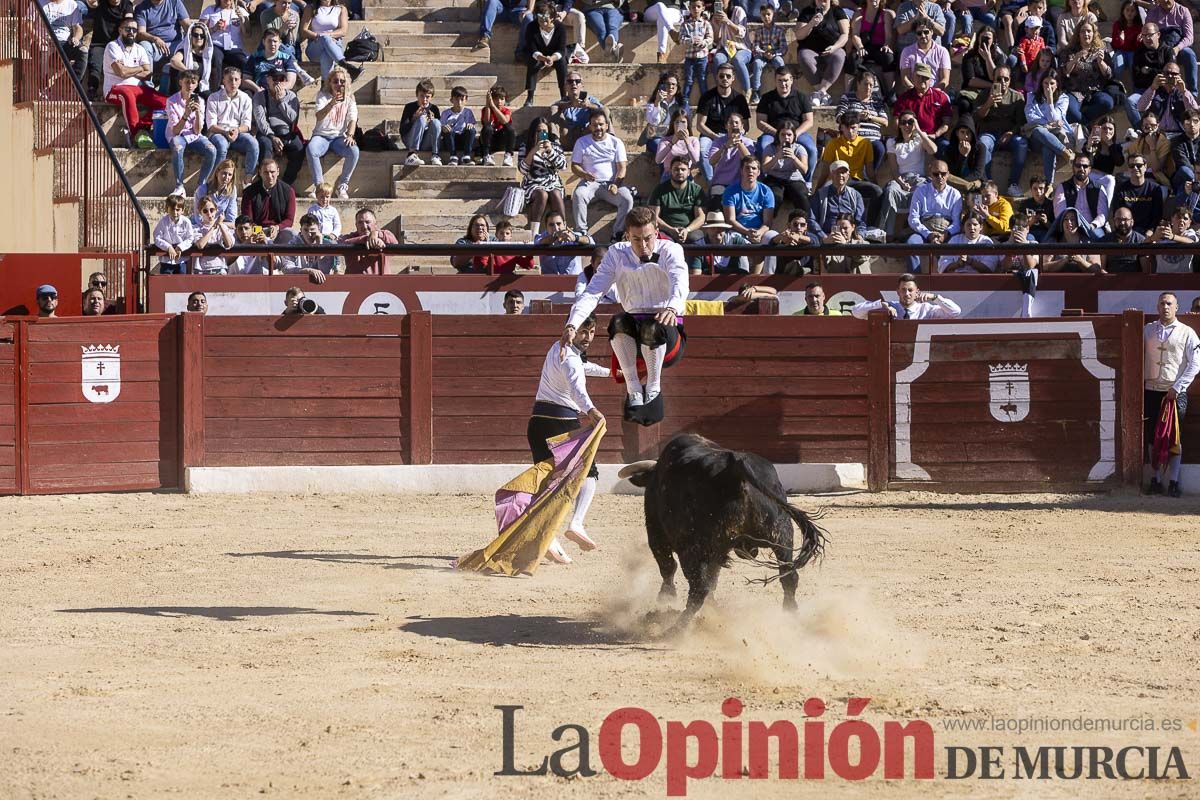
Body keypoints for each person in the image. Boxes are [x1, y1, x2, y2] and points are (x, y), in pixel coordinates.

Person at [562, 206, 688, 426]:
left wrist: (672, 307)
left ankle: (653, 387)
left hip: (667, 334)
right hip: (633, 333)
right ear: (627, 235)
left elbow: (680, 281)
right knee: (618, 321)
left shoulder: (671, 250)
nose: (643, 245)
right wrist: (573, 323)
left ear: (657, 230)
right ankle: (633, 388)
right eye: (636, 239)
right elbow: (593, 292)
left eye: (648, 238)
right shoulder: (617, 253)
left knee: (651, 326)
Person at [530, 313, 608, 563]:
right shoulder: (570, 359)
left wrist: (613, 372)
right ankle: (576, 522)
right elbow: (577, 388)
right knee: (589, 471)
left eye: (592, 332)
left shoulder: (557, 348)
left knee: (549, 483)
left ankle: (548, 537)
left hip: (537, 424)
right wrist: (592, 411)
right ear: (572, 330)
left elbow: (582, 368)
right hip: (562, 425)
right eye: (583, 331)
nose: (588, 337)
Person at [1143, 291, 1200, 496]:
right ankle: (1156, 480)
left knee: (1174, 437)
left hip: (1175, 392)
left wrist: (1178, 387)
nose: (1165, 307)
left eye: (1169, 303)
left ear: (1176, 307)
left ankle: (1174, 482)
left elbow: (1195, 364)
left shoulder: (1187, 332)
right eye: (1162, 303)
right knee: (1151, 437)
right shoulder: (1146, 330)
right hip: (1151, 390)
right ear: (1157, 307)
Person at [104, 14, 167, 149]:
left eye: (134, 30)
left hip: (138, 88)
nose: (131, 32)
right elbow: (121, 72)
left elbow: (148, 73)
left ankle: (142, 128)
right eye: (128, 29)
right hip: (115, 88)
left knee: (166, 102)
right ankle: (135, 134)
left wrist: (129, 70)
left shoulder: (140, 49)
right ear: (120, 30)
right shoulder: (112, 47)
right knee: (127, 93)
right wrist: (139, 68)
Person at [571, 112, 634, 243]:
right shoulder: (581, 142)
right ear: (590, 126)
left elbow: (622, 168)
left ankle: (618, 233)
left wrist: (616, 184)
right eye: (594, 125)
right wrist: (584, 174)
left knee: (627, 199)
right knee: (578, 194)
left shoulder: (616, 143)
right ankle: (581, 231)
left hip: (611, 183)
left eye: (600, 124)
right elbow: (574, 166)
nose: (598, 128)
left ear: (606, 125)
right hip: (590, 182)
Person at [879, 109, 937, 238]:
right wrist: (902, 183)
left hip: (919, 178)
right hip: (901, 178)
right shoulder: (892, 142)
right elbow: (894, 169)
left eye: (910, 122)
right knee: (890, 191)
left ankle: (920, 230)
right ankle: (887, 233)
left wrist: (919, 131)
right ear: (899, 124)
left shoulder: (920, 139)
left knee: (923, 190)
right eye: (904, 122)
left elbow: (933, 150)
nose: (906, 125)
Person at [817, 111, 883, 223]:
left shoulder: (865, 143)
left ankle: (870, 226)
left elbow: (870, 171)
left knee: (877, 192)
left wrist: (876, 185)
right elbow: (825, 171)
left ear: (859, 127)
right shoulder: (833, 144)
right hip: (838, 181)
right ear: (841, 127)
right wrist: (817, 190)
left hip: (856, 181)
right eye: (846, 128)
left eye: (853, 128)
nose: (850, 131)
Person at [307, 65, 359, 199]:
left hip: (338, 137)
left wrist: (350, 135)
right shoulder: (322, 96)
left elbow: (353, 119)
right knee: (312, 149)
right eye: (335, 81)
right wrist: (332, 103)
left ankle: (342, 186)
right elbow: (318, 116)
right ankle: (319, 187)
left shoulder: (349, 99)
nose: (339, 84)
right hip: (321, 135)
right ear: (330, 82)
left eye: (342, 81)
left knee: (354, 151)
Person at [695, 63, 750, 185]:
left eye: (728, 76)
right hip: (710, 135)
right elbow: (700, 125)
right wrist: (716, 137)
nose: (725, 78)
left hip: (734, 135)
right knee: (702, 151)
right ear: (717, 77)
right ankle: (712, 183)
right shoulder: (707, 97)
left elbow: (746, 126)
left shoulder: (740, 99)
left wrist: (738, 135)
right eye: (722, 76)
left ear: (733, 78)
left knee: (749, 152)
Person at [166, 70, 215, 199]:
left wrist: (198, 113)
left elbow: (198, 131)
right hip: (178, 135)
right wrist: (186, 114)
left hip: (193, 135)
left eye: (193, 83)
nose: (190, 86)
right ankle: (179, 186)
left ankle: (201, 185)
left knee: (212, 150)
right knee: (177, 147)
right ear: (180, 82)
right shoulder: (172, 101)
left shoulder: (199, 100)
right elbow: (175, 130)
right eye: (187, 82)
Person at [906, 159, 962, 271]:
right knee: (911, 244)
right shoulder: (920, 191)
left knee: (958, 247)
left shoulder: (955, 194)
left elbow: (957, 222)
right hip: (924, 229)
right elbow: (913, 218)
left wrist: (944, 235)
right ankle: (914, 282)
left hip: (946, 231)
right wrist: (928, 234)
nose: (940, 177)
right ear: (930, 175)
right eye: (936, 174)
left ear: (948, 174)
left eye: (943, 174)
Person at [649, 156, 707, 266]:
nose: (679, 172)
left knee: (697, 239)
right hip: (666, 230)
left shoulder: (696, 190)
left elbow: (701, 217)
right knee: (661, 242)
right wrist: (671, 230)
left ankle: (696, 272)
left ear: (689, 172)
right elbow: (654, 217)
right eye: (676, 169)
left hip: (690, 230)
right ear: (670, 171)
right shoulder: (659, 190)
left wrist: (687, 230)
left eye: (683, 169)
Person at [252, 68, 304, 185]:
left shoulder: (291, 96)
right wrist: (272, 137)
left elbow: (292, 118)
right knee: (265, 146)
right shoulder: (260, 96)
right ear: (268, 79)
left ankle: (286, 184)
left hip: (286, 131)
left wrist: (281, 100)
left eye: (281, 79)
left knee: (299, 148)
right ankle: (264, 182)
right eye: (274, 78)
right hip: (268, 132)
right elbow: (261, 121)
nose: (277, 82)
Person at [1060, 20, 1117, 127]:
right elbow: (1064, 72)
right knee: (1071, 112)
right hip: (1074, 91)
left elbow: (1109, 75)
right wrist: (1075, 59)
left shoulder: (1101, 51)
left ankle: (1084, 121)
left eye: (1089, 31)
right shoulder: (1069, 51)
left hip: (1094, 91)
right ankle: (1087, 126)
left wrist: (1101, 62)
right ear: (1078, 34)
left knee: (1107, 103)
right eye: (1083, 31)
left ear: (1093, 34)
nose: (1086, 34)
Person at [794, 0, 850, 107]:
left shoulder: (837, 11)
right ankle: (823, 93)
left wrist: (835, 47)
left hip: (832, 49)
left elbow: (845, 34)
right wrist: (811, 24)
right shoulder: (807, 12)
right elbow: (799, 35)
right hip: (810, 50)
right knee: (803, 56)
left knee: (840, 55)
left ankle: (819, 93)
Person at [206, 67, 258, 178]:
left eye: (236, 79)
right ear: (223, 81)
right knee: (222, 144)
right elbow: (211, 125)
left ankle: (248, 178)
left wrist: (237, 130)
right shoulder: (214, 97)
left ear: (240, 81)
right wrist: (225, 131)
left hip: (237, 133)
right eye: (230, 79)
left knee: (253, 143)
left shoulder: (245, 98)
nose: (233, 83)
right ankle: (216, 179)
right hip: (218, 132)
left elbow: (247, 124)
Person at [518, 118, 567, 237]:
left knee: (555, 193)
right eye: (539, 131)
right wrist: (534, 150)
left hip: (553, 182)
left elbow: (563, 166)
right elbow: (523, 170)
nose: (542, 134)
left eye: (544, 131)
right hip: (532, 183)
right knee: (542, 194)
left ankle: (564, 230)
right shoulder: (525, 147)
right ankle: (534, 232)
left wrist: (550, 152)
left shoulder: (555, 146)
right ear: (533, 132)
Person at [1025, 70, 1076, 184]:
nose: (1048, 86)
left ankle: (1049, 184)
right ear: (1041, 83)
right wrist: (1048, 124)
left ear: (1057, 84)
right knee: (1038, 130)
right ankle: (1066, 153)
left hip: (1054, 137)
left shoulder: (1063, 98)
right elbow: (1031, 118)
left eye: (1052, 83)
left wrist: (1050, 102)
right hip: (1036, 136)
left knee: (1048, 146)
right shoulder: (1031, 97)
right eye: (1046, 83)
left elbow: (1056, 118)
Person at [834, 71, 890, 171]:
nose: (868, 88)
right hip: (853, 137)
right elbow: (839, 117)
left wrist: (870, 117)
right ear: (858, 84)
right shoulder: (847, 97)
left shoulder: (877, 101)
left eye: (871, 85)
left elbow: (885, 122)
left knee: (880, 148)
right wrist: (857, 117)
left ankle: (869, 175)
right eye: (865, 84)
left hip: (873, 140)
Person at [891, 63, 951, 150]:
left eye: (925, 77)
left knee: (946, 147)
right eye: (918, 76)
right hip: (910, 138)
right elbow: (896, 120)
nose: (921, 79)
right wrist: (906, 136)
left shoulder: (941, 97)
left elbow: (947, 123)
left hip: (934, 138)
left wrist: (935, 135)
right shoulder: (904, 98)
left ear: (930, 80)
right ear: (913, 78)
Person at [1126, 24, 1176, 129]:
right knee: (1130, 101)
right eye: (1144, 35)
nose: (1147, 38)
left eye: (1150, 35)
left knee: (1157, 103)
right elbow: (1137, 78)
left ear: (1158, 35)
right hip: (1143, 91)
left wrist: (1149, 70)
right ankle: (1141, 129)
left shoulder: (1167, 51)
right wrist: (1157, 74)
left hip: (1162, 90)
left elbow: (1169, 75)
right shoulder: (1139, 53)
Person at [850, 273, 962, 319]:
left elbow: (955, 312)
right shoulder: (889, 306)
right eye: (903, 290)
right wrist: (880, 304)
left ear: (917, 292)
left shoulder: (926, 309)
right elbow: (855, 312)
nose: (907, 294)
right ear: (897, 292)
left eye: (910, 290)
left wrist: (935, 297)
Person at [1052, 153, 1108, 241]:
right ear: (1073, 168)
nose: (1081, 169)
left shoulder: (1098, 188)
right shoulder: (1063, 187)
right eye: (1078, 166)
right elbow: (1060, 212)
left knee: (1099, 237)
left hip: (1091, 227)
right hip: (1070, 226)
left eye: (1085, 166)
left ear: (1090, 169)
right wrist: (1072, 226)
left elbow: (1102, 214)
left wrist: (1092, 225)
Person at [1145, 0, 1197, 93]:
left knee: (1189, 54)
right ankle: (1155, 92)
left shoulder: (1183, 11)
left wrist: (1177, 48)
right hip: (1161, 47)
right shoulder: (1152, 13)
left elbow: (1189, 37)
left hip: (1178, 47)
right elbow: (1147, 33)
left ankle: (1192, 93)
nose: (1165, 0)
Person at [521, 2, 567, 107]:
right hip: (538, 55)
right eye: (540, 18)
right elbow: (532, 49)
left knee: (562, 62)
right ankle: (530, 97)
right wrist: (543, 58)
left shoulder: (560, 28)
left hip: (554, 56)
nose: (542, 21)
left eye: (545, 18)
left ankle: (564, 96)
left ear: (552, 18)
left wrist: (552, 58)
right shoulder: (532, 27)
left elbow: (561, 49)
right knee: (533, 62)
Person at [760, 120, 810, 216]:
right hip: (774, 179)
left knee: (801, 195)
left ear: (794, 136)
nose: (786, 138)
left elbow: (804, 170)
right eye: (783, 134)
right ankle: (767, 225)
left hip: (794, 178)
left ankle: (805, 223)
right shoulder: (770, 148)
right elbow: (765, 169)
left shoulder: (799, 149)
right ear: (778, 135)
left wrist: (794, 158)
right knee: (775, 197)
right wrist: (777, 157)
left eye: (789, 135)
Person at [87, 0, 134, 100]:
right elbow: (92, 3)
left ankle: (124, 92)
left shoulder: (126, 4)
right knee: (95, 64)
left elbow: (129, 22)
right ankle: (92, 90)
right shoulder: (100, 2)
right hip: (99, 43)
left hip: (118, 44)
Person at [808, 160, 865, 241]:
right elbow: (811, 219)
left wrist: (859, 236)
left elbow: (860, 221)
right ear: (831, 174)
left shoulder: (856, 195)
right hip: (827, 237)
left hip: (849, 238)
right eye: (837, 172)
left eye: (843, 172)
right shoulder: (820, 194)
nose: (841, 175)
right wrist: (824, 237)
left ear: (848, 175)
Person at [241, 159, 296, 243]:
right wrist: (260, 232)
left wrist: (277, 227)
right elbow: (248, 220)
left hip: (279, 230)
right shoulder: (249, 192)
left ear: (278, 172)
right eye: (266, 172)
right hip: (256, 230)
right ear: (260, 172)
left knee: (292, 234)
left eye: (272, 172)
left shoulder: (288, 191)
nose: (270, 176)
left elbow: (289, 219)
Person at [135, 0, 191, 80]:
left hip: (175, 44)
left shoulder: (175, 3)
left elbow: (187, 25)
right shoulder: (141, 8)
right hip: (154, 46)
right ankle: (147, 85)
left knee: (187, 45)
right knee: (144, 46)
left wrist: (196, 34)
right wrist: (155, 39)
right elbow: (141, 33)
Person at [849, 0, 897, 94]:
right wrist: (860, 47)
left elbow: (889, 35)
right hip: (864, 46)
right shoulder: (859, 14)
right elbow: (855, 34)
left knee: (889, 57)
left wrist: (886, 45)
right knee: (853, 58)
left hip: (879, 47)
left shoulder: (886, 14)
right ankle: (847, 93)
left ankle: (890, 93)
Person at [549, 71, 605, 150]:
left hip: (586, 137)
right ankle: (555, 140)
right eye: (570, 81)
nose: (574, 84)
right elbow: (553, 107)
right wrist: (570, 104)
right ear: (565, 86)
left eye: (577, 81)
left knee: (604, 111)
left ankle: (610, 138)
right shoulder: (563, 101)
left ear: (582, 86)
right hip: (567, 137)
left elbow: (603, 110)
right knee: (554, 108)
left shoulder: (590, 100)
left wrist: (589, 106)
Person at [301, 0, 356, 80]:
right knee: (325, 40)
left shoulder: (341, 9)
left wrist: (327, 37)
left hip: (335, 46)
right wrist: (320, 37)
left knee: (326, 55)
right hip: (315, 47)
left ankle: (325, 87)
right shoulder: (311, 8)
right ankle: (344, 65)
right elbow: (303, 31)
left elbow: (343, 31)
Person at [1112, 155, 1165, 234]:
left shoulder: (1155, 188)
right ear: (1128, 168)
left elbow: (1157, 215)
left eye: (1139, 165)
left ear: (1145, 167)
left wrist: (1151, 230)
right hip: (1127, 231)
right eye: (1131, 166)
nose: (1135, 168)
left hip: (1148, 232)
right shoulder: (1120, 189)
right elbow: (1118, 214)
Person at [200, 0, 251, 81]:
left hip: (234, 47)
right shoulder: (210, 10)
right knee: (216, 59)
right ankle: (216, 90)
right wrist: (214, 28)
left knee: (244, 62)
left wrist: (242, 20)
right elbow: (199, 31)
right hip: (216, 45)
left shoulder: (241, 11)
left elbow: (248, 35)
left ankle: (245, 88)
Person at [339, 207, 399, 274]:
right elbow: (341, 243)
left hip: (381, 283)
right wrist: (367, 238)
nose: (364, 226)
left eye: (368, 222)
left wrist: (376, 233)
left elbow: (395, 243)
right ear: (356, 225)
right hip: (355, 283)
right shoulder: (349, 237)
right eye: (360, 222)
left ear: (375, 224)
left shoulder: (384, 235)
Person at [748, 4, 788, 105]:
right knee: (757, 63)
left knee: (780, 62)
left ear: (773, 14)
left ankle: (784, 87)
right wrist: (763, 53)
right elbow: (755, 46)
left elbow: (783, 47)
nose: (766, 17)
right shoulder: (759, 31)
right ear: (760, 16)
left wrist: (775, 54)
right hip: (763, 55)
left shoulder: (779, 30)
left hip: (775, 55)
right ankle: (756, 92)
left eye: (768, 14)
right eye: (763, 15)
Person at [640, 73, 685, 162]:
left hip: (674, 137)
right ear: (662, 86)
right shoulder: (652, 103)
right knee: (665, 152)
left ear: (677, 87)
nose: (671, 87)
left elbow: (683, 123)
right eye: (668, 84)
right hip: (656, 137)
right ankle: (666, 176)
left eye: (673, 84)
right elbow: (654, 122)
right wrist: (657, 103)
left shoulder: (680, 104)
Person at [709, 0, 751, 94]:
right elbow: (716, 40)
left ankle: (747, 91)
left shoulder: (738, 11)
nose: (720, 1)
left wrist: (727, 21)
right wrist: (718, 25)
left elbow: (741, 33)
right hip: (725, 48)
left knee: (738, 60)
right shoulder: (714, 16)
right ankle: (721, 90)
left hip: (742, 48)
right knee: (718, 59)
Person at [676, 0, 713, 105]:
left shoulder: (706, 24)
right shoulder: (685, 24)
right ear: (689, 8)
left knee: (702, 79)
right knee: (688, 80)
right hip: (690, 57)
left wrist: (702, 42)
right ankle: (685, 101)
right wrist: (690, 41)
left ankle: (705, 102)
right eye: (693, 7)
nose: (695, 9)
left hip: (702, 57)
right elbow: (681, 39)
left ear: (703, 8)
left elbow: (710, 38)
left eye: (698, 6)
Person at [535, 210, 593, 275]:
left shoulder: (572, 235)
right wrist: (556, 236)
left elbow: (591, 241)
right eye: (551, 225)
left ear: (564, 224)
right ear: (546, 227)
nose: (556, 228)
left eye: (558, 224)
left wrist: (576, 238)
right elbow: (538, 243)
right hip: (550, 282)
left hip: (573, 281)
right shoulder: (541, 237)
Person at [400, 79, 442, 166]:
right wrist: (414, 119)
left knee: (437, 122)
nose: (424, 99)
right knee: (422, 118)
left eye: (427, 97)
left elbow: (439, 133)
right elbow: (402, 130)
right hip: (410, 140)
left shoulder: (434, 108)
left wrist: (432, 122)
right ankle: (411, 155)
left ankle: (435, 155)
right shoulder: (409, 107)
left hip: (426, 142)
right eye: (422, 96)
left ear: (431, 97)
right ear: (417, 95)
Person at [44, 0, 86, 84]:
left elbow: (78, 27)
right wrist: (38, 37)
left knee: (83, 50)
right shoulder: (41, 3)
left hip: (64, 43)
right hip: (45, 40)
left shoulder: (71, 4)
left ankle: (75, 84)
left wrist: (76, 38)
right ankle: (43, 81)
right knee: (43, 49)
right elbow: (28, 23)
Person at [899, 22, 950, 91]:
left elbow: (945, 79)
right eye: (919, 33)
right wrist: (916, 92)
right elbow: (905, 78)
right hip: (914, 93)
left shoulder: (942, 51)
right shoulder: (907, 51)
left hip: (935, 92)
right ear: (916, 35)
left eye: (926, 32)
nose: (923, 35)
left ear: (932, 32)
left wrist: (932, 93)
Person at [1148, 206, 1199, 273]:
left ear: (1189, 223)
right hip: (1162, 279)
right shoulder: (1162, 232)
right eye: (1178, 217)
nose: (1181, 220)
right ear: (1172, 220)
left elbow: (1192, 242)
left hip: (1184, 279)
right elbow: (1142, 245)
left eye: (1185, 218)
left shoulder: (1190, 233)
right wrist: (1153, 238)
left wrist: (1172, 237)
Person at [654, 109, 700, 180]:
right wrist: (672, 143)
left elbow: (695, 160)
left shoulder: (693, 140)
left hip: (685, 175)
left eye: (683, 122)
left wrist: (687, 142)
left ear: (688, 124)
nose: (679, 125)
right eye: (677, 122)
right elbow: (658, 160)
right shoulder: (665, 140)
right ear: (673, 124)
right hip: (669, 175)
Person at [153, 194, 194, 273]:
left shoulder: (186, 222)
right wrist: (168, 247)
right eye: (172, 209)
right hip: (166, 260)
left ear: (182, 210)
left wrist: (180, 247)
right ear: (167, 209)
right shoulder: (163, 222)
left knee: (181, 283)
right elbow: (157, 237)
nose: (175, 212)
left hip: (182, 260)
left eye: (178, 209)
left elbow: (190, 238)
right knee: (166, 282)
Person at [1102, 207, 1151, 273]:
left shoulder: (1141, 241)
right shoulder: (1105, 240)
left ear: (1132, 222)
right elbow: (1102, 268)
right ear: (1114, 221)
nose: (1122, 223)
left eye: (1125, 219)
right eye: (1118, 219)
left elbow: (1146, 271)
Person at [439, 86, 478, 166]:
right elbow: (441, 126)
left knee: (471, 130)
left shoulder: (468, 112)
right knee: (449, 131)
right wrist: (444, 128)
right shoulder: (445, 113)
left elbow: (472, 125)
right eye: (457, 99)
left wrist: (471, 125)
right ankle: (453, 157)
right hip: (451, 140)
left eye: (462, 99)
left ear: (466, 100)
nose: (459, 102)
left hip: (464, 140)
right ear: (451, 100)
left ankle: (466, 156)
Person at [480, 84, 517, 167]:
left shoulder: (506, 111)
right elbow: (486, 122)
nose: (499, 101)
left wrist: (493, 106)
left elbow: (505, 121)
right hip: (490, 140)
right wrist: (488, 105)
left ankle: (508, 155)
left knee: (510, 128)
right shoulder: (486, 110)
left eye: (502, 99)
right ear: (491, 99)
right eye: (496, 99)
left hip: (502, 141)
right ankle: (486, 155)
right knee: (488, 127)